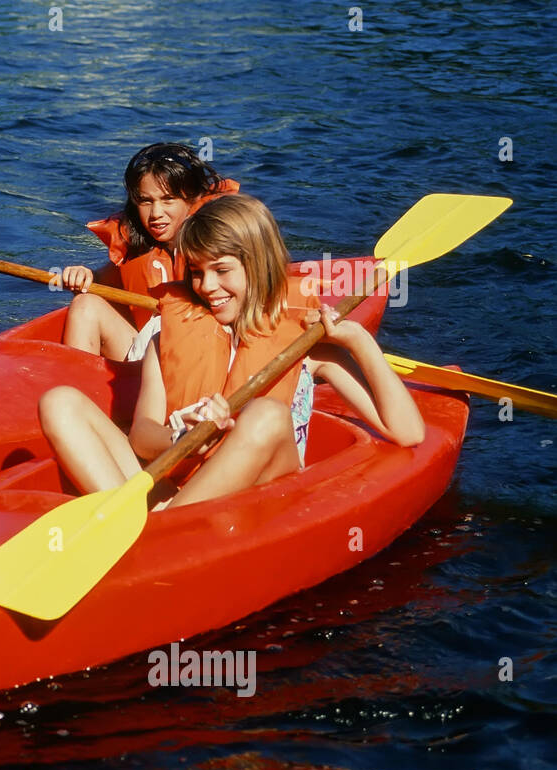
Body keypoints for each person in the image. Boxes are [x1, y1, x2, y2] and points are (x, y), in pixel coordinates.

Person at [39, 194, 424, 509]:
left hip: (261, 493)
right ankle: (136, 520)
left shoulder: (308, 348)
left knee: (267, 415)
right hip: (179, 488)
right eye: (196, 272)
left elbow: (407, 432)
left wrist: (358, 340)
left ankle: (160, 526)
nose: (207, 286)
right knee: (60, 401)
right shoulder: (168, 338)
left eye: (222, 270)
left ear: (259, 266)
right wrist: (180, 436)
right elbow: (142, 437)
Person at [53, 143, 238, 360]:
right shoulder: (139, 249)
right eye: (146, 201)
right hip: (148, 354)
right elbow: (98, 282)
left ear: (194, 198)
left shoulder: (223, 244)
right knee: (86, 304)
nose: (156, 213)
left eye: (168, 199)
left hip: (206, 353)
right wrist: (83, 277)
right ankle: (77, 389)